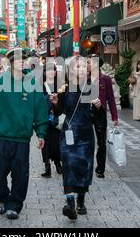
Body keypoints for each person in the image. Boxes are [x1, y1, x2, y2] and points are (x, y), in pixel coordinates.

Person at [0, 48, 48, 220]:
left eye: (23, 60)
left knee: (20, 174)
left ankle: (14, 204)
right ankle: (1, 196)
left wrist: (41, 133)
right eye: (18, 60)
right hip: (2, 136)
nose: (21, 62)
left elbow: (40, 109)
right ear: (10, 63)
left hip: (22, 138)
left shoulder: (32, 83)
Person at [50, 56, 99, 220]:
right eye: (78, 66)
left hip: (85, 136)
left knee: (84, 167)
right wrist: (56, 103)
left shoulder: (91, 88)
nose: (82, 69)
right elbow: (58, 112)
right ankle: (70, 203)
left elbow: (95, 116)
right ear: (71, 70)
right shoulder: (65, 88)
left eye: (84, 66)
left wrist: (98, 107)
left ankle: (81, 201)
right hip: (69, 134)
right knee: (69, 166)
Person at [88, 56, 119, 179]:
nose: (88, 65)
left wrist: (114, 117)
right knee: (88, 141)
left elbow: (111, 99)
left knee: (102, 142)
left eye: (90, 63)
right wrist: (90, 100)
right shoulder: (85, 79)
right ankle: (87, 165)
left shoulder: (105, 79)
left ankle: (100, 169)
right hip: (87, 112)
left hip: (100, 113)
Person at [41, 61, 63, 178]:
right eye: (48, 70)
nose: (51, 72)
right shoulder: (41, 85)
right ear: (44, 72)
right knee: (44, 143)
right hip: (44, 119)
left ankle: (58, 164)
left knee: (56, 142)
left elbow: (63, 103)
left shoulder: (60, 85)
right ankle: (47, 167)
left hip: (56, 118)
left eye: (53, 70)